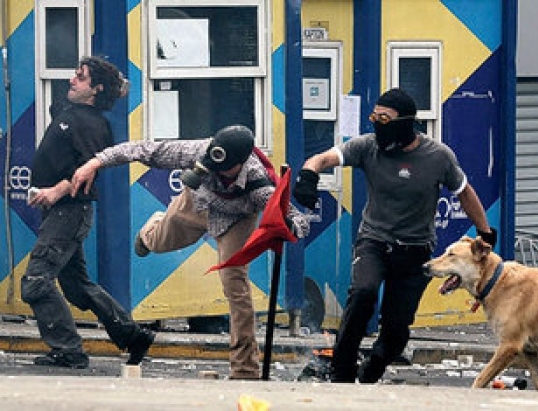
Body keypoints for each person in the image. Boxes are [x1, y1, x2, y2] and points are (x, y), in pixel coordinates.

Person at [71, 124, 310, 379]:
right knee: (159, 241)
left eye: (224, 169)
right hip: (196, 203)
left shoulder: (257, 181)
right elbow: (142, 150)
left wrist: (294, 225)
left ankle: (244, 369)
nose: (217, 172)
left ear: (240, 164)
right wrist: (95, 163)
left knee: (235, 286)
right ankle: (150, 231)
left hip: (235, 221)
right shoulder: (196, 151)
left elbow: (292, 215)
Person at [292, 88, 497, 384]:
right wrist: (308, 176)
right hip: (374, 241)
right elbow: (323, 158)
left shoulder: (438, 156)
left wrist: (484, 231)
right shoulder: (368, 146)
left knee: (397, 329)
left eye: (384, 119)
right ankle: (342, 372)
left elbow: (464, 192)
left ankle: (373, 369)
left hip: (415, 250)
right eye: (374, 117)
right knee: (363, 293)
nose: (377, 124)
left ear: (405, 123)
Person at [21, 56, 155, 369]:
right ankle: (132, 336)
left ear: (94, 89)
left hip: (68, 212)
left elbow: (87, 171)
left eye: (80, 77)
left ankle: (69, 350)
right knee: (77, 285)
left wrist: (56, 190)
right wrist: (112, 85)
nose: (71, 80)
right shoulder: (71, 112)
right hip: (62, 213)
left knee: (36, 281)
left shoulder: (93, 124)